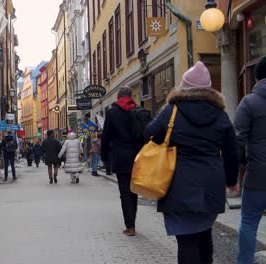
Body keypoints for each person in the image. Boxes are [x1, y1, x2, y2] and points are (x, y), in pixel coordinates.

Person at [145, 61, 239, 264]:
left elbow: (149, 133)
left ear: (184, 86)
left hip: (178, 182)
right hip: (211, 183)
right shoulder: (220, 114)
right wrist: (232, 180)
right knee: (204, 232)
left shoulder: (171, 110)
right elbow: (232, 150)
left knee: (186, 239)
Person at [235, 56, 266, 264]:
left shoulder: (249, 102)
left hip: (257, 175)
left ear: (257, 79)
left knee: (248, 222)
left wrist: (239, 168)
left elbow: (237, 140)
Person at [101, 86, 140, 236]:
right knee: (134, 190)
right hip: (137, 157)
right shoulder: (136, 111)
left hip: (121, 156)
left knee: (124, 192)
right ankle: (132, 222)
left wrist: (105, 157)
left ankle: (130, 226)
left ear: (118, 97)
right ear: (130, 96)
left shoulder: (112, 113)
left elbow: (106, 137)